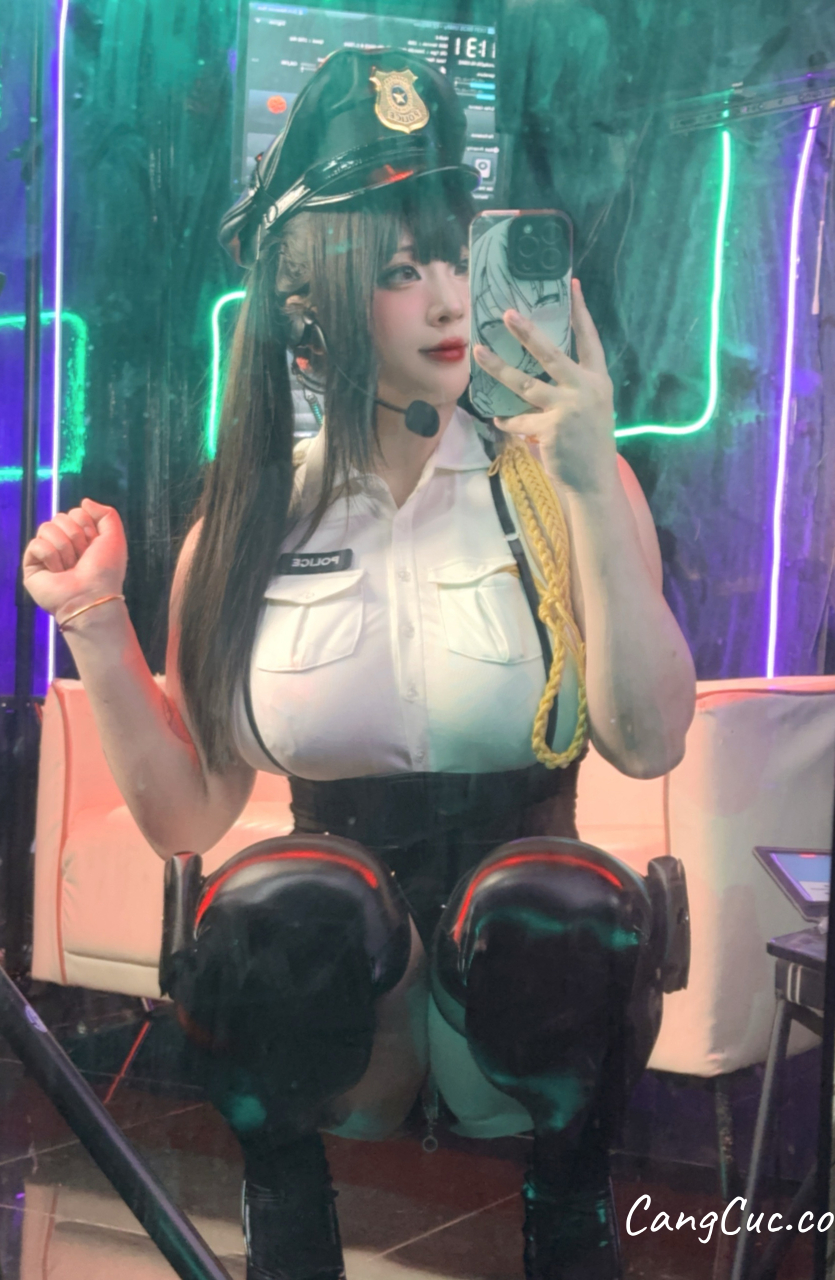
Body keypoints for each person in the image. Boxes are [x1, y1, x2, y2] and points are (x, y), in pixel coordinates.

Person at [22, 48, 695, 1280]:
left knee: (553, 908)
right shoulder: (253, 520)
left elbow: (649, 740)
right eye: (397, 270)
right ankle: (289, 1227)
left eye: (453, 255)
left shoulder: (559, 485)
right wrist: (97, 619)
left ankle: (572, 1221)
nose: (447, 300)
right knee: (281, 908)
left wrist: (596, 482)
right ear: (311, 301)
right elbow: (189, 814)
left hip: (526, 993)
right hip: (341, 1006)